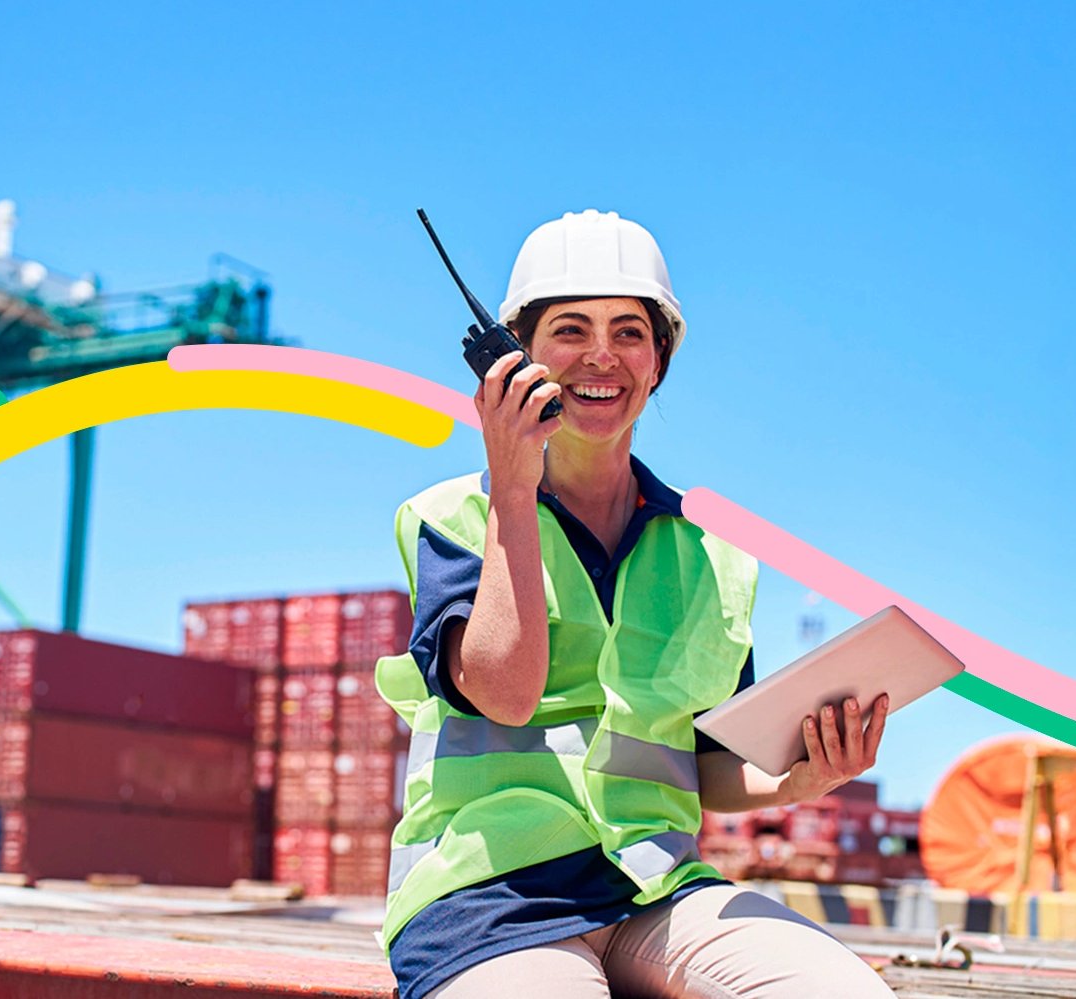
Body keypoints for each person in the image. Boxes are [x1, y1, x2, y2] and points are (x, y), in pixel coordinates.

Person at [374, 209, 897, 998]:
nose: (601, 356)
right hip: (491, 902)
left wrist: (800, 780)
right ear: (515, 359)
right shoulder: (453, 522)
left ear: (659, 362)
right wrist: (514, 485)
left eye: (628, 332)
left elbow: (710, 766)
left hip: (659, 891)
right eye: (570, 330)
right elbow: (507, 696)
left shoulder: (712, 556)